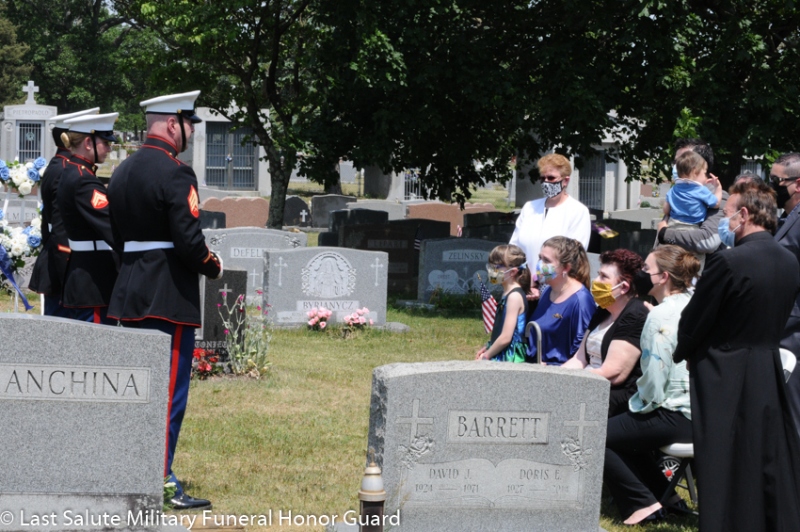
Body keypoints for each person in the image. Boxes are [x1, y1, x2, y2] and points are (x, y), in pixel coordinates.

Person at [107, 91, 222, 510]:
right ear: (173, 123)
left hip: (129, 291)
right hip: (167, 295)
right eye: (189, 123)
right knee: (169, 392)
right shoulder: (176, 173)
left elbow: (116, 237)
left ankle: (129, 470)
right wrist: (213, 265)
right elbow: (189, 243)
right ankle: (159, 480)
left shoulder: (121, 171)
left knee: (135, 389)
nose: (191, 131)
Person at [674, 179, 800, 532]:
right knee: (761, 454)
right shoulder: (790, 261)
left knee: (722, 458)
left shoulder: (728, 261)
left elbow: (696, 319)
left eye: (727, 213)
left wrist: (684, 351)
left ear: (744, 214)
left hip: (722, 369)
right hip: (767, 365)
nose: (724, 222)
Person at [604, 245, 699, 525]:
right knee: (624, 432)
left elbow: (654, 385)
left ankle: (642, 505)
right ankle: (667, 498)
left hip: (674, 413)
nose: (642, 273)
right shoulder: (693, 303)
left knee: (596, 435)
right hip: (699, 411)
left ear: (663, 277)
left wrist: (634, 406)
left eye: (646, 269)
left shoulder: (659, 316)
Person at [29, 107, 100, 317]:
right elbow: (61, 228)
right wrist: (67, 272)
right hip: (64, 264)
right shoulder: (65, 170)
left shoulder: (58, 165)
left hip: (58, 261)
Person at [562, 249, 648, 417]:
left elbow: (613, 373)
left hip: (611, 397)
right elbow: (579, 359)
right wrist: (553, 376)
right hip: (585, 383)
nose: (596, 281)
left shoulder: (635, 314)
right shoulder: (603, 310)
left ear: (623, 287)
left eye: (603, 277)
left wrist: (566, 383)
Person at [56, 112, 120, 324]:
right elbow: (112, 226)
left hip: (84, 274)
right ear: (87, 142)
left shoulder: (72, 171)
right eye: (105, 142)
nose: (109, 148)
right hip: (94, 280)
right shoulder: (84, 180)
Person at [510, 154, 591, 300]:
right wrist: (524, 281)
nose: (546, 182)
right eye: (543, 178)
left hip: (557, 291)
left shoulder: (578, 211)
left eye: (551, 178)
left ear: (565, 180)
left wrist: (539, 281)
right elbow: (514, 248)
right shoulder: (529, 207)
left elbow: (573, 257)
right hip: (524, 286)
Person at [526, 236, 596, 364]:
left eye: (546, 260)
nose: (540, 264)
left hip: (557, 371)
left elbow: (582, 352)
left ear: (566, 268)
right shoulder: (547, 290)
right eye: (540, 258)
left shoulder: (581, 300)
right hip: (532, 366)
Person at [658, 138, 726, 254]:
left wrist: (664, 233)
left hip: (690, 263)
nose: (678, 166)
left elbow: (708, 242)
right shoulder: (676, 191)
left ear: (699, 167)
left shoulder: (719, 196)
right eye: (676, 162)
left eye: (684, 160)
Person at [772, 153, 800, 437]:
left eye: (776, 180)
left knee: (794, 419)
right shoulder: (784, 219)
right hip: (781, 328)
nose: (772, 186)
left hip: (794, 331)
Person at [475, 244, 530, 362]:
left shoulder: (514, 297)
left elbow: (506, 337)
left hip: (510, 356)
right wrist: (488, 346)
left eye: (496, 267)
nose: (491, 270)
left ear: (512, 272)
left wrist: (486, 356)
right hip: (502, 350)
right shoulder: (507, 293)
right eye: (490, 266)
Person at [661, 150, 721, 228]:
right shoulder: (700, 190)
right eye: (704, 173)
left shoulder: (673, 189)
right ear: (695, 172)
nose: (706, 176)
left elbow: (666, 210)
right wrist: (718, 187)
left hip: (673, 225)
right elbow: (716, 204)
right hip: (693, 227)